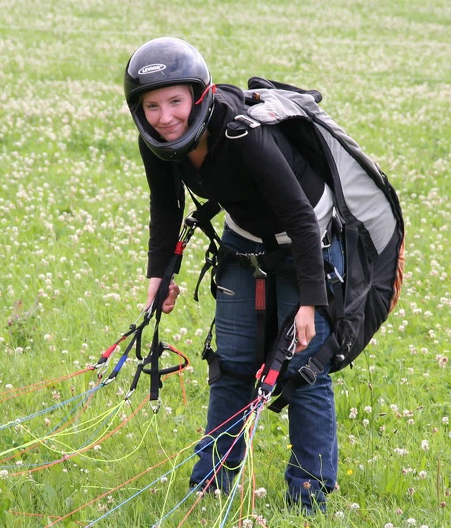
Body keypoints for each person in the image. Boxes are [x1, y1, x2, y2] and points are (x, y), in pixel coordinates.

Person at [123, 37, 344, 513]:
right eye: (153, 106)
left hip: (311, 238)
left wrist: (310, 300)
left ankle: (310, 496)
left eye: (175, 102)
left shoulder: (243, 134)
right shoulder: (157, 144)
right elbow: (166, 207)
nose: (165, 117)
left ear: (199, 96)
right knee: (234, 364)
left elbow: (302, 217)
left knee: (304, 369)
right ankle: (211, 484)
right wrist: (158, 277)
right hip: (246, 234)